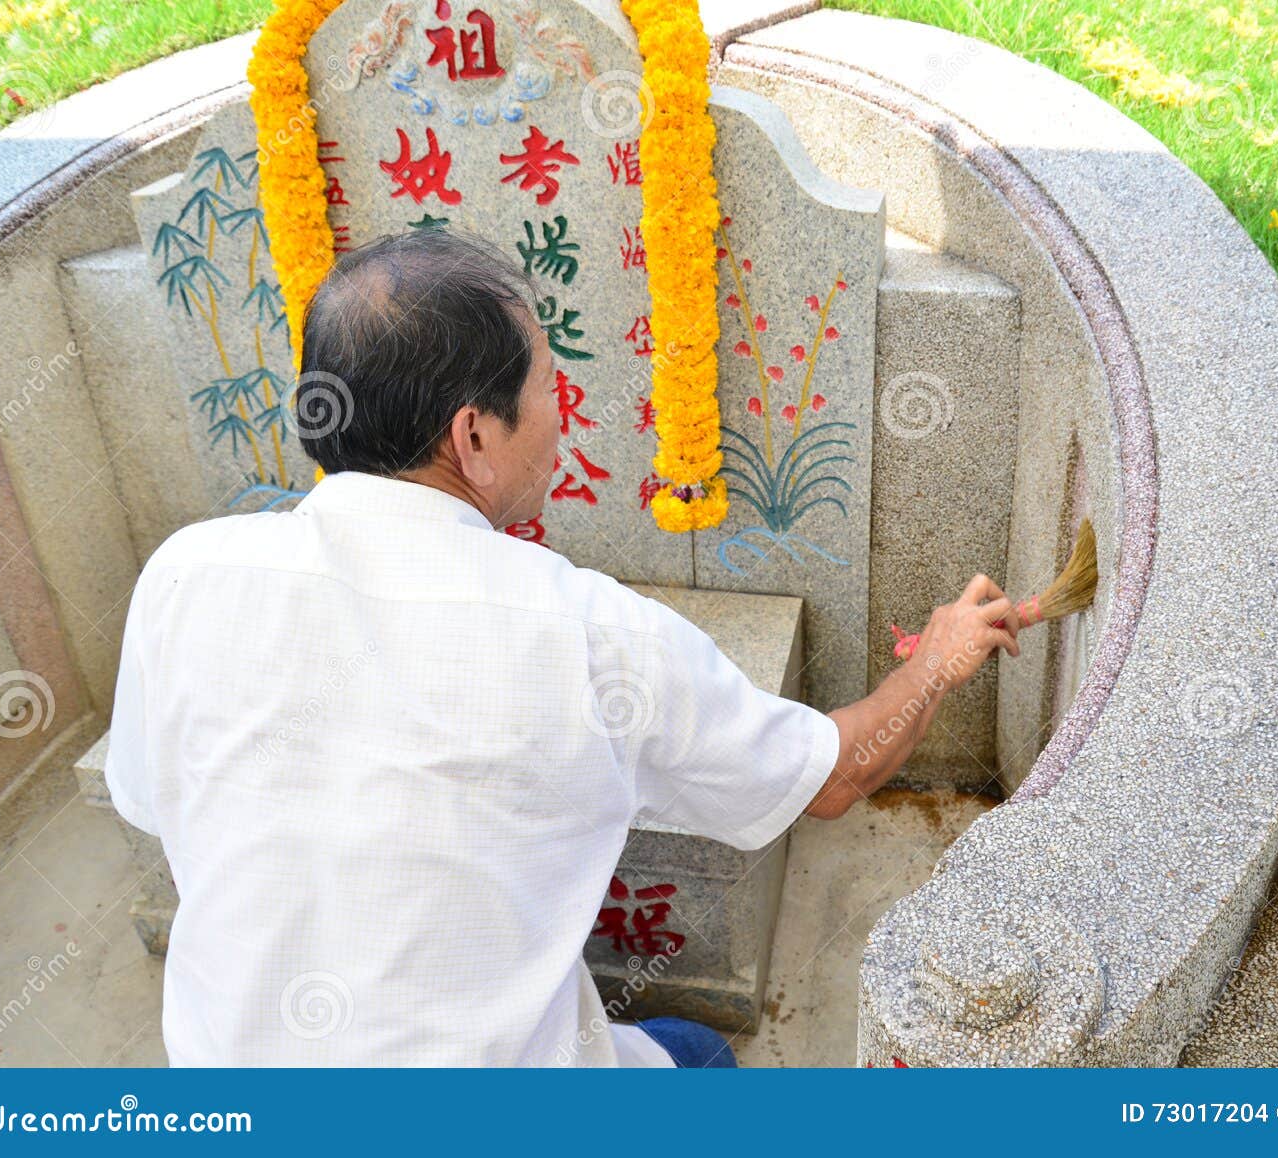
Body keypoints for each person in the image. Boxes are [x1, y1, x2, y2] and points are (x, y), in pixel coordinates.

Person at [105, 229, 1022, 1067]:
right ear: (473, 435)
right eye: (549, 384)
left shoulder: (187, 575)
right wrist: (937, 659)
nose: (561, 411)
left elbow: (150, 798)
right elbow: (829, 777)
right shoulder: (593, 637)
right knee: (699, 1056)